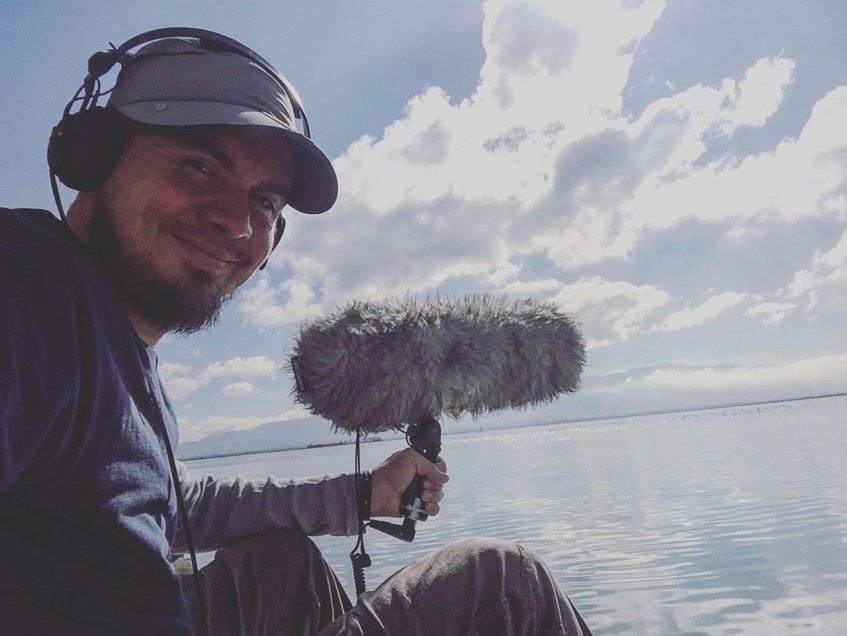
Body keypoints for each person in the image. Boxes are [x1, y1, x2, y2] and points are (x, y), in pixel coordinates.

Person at [0, 29, 593, 635]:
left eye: (264, 201)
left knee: (281, 567)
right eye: (199, 165)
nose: (236, 222)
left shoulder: (116, 353)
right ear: (94, 158)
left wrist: (364, 495)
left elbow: (171, 506)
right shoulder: (24, 286)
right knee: (504, 583)